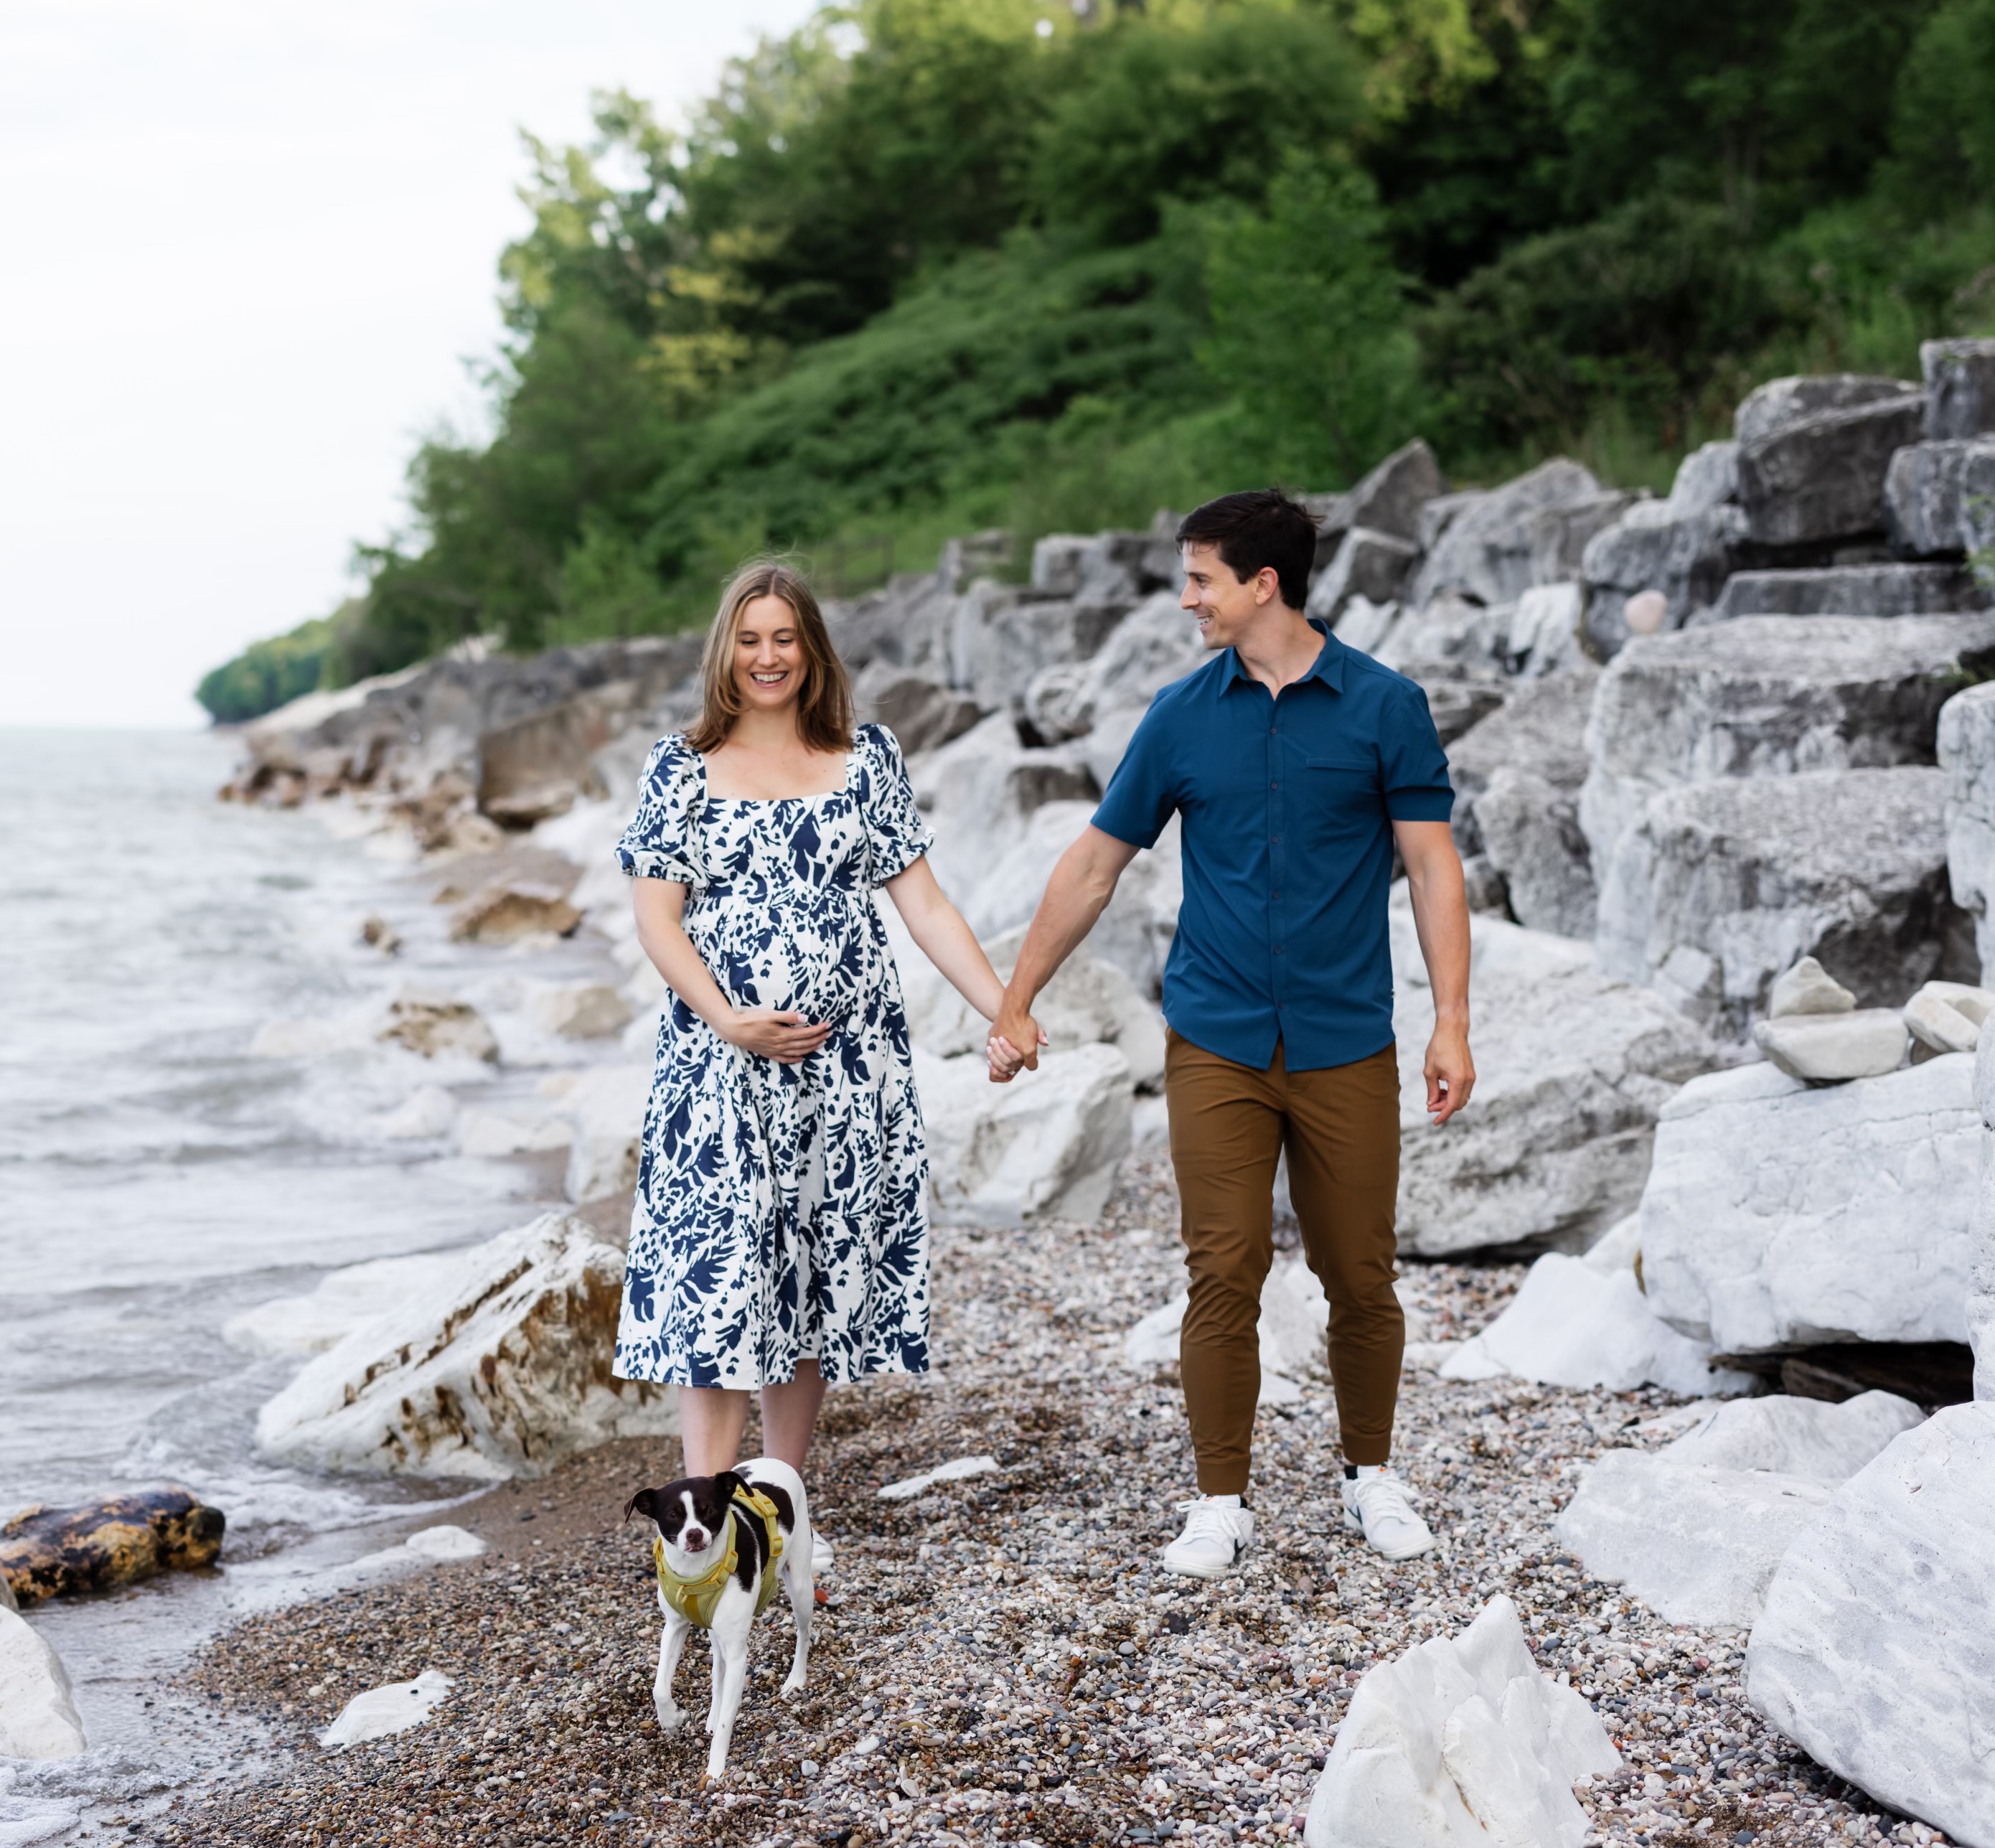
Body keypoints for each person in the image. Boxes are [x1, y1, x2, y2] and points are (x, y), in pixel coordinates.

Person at [985, 489, 1475, 1578]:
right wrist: (1017, 999)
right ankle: (1220, 1498)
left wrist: (1452, 1021)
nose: (1186, 599)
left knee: (1361, 1274)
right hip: (1215, 1038)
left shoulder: (1386, 705)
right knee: (1224, 1271)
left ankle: (1371, 1475)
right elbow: (1096, 864)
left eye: (1201, 578)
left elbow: (1434, 868)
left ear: (1265, 584)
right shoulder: (1178, 714)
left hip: (1348, 1036)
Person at [612, 560, 1010, 1567]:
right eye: (749, 640)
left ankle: (783, 1519)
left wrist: (1004, 1006)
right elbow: (658, 921)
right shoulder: (682, 764)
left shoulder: (865, 757)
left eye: (784, 639)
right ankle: (698, 1536)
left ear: (812, 648)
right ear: (725, 652)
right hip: (722, 1073)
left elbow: (923, 903)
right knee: (721, 1280)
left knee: (810, 1284)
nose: (767, 658)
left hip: (847, 1071)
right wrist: (728, 1019)